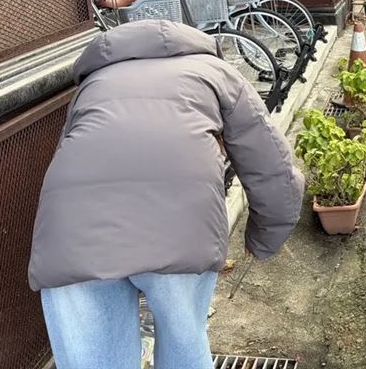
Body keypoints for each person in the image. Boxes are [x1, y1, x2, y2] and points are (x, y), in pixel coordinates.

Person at [28, 20, 305, 369]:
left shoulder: (96, 82)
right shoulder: (215, 72)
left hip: (73, 234)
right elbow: (271, 166)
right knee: (183, 347)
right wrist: (264, 237)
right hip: (182, 224)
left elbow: (69, 158)